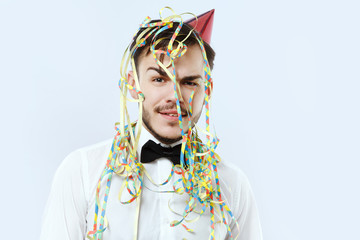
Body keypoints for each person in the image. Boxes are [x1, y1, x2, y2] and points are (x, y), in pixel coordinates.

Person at [40, 8, 263, 240]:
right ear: (134, 85)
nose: (175, 97)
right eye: (159, 79)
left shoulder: (232, 186)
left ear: (207, 90)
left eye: (189, 82)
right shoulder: (82, 172)